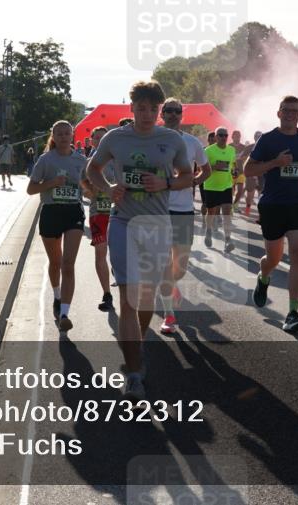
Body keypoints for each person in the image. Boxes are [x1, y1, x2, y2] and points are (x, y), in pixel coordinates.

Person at [86, 80, 193, 402]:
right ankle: (134, 376)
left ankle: (138, 345)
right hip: (124, 223)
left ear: (160, 111)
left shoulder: (171, 139)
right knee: (129, 299)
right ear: (132, 108)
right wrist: (107, 189)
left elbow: (188, 176)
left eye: (153, 109)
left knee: (146, 297)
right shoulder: (115, 138)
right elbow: (93, 170)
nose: (147, 114)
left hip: (157, 225)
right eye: (141, 108)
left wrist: (166, 182)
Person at [245, 95, 298, 333]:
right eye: (286, 110)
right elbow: (247, 170)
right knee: (273, 260)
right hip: (273, 205)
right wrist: (275, 163)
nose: (290, 114)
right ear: (278, 113)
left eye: (294, 111)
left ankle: (292, 313)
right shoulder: (268, 140)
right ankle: (264, 277)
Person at [159, 98, 211, 334]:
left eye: (176, 111)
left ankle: (172, 285)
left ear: (182, 115)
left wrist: (192, 182)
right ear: (162, 113)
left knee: (181, 265)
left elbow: (206, 170)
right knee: (164, 263)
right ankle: (169, 315)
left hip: (183, 210)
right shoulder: (152, 139)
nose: (171, 114)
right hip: (158, 208)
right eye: (167, 111)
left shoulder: (191, 142)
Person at [28, 120, 87, 331]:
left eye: (67, 133)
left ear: (73, 135)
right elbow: (31, 189)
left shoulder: (81, 159)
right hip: (51, 212)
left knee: (68, 263)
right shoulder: (46, 160)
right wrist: (52, 183)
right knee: (55, 261)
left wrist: (95, 191)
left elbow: (88, 185)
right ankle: (56, 295)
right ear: (53, 136)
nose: (63, 137)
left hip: (73, 212)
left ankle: (64, 314)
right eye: (59, 134)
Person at [80, 126, 115, 312]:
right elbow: (83, 184)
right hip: (98, 213)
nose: (101, 141)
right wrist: (90, 191)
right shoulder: (88, 163)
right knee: (101, 253)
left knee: (119, 254)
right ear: (92, 141)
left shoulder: (118, 161)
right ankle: (107, 294)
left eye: (105, 138)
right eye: (98, 138)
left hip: (119, 214)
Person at [203, 126, 237, 252]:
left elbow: (232, 165)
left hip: (226, 186)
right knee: (211, 211)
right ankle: (208, 230)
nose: (223, 137)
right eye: (221, 135)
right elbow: (203, 169)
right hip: (211, 186)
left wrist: (235, 171)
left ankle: (228, 240)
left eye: (225, 135)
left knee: (227, 213)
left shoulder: (231, 150)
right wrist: (214, 166)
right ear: (216, 137)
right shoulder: (208, 150)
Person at [243, 130, 264, 215]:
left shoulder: (266, 146)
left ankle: (261, 213)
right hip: (251, 172)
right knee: (250, 192)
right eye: (256, 137)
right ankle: (248, 208)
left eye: (260, 137)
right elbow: (242, 157)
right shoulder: (249, 147)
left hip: (262, 173)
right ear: (254, 137)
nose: (258, 138)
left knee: (262, 193)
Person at [199, 131, 214, 231]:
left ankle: (210, 223)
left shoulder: (222, 151)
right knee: (205, 203)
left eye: (215, 139)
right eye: (211, 139)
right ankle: (204, 221)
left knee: (213, 204)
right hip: (204, 179)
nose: (213, 141)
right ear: (208, 140)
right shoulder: (203, 150)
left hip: (216, 181)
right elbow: (200, 166)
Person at [231, 130, 248, 209]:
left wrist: (244, 159)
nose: (237, 137)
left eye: (239, 136)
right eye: (236, 135)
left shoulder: (244, 147)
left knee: (240, 190)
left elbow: (247, 158)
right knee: (230, 190)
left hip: (241, 171)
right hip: (231, 171)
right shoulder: (228, 146)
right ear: (232, 136)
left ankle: (234, 205)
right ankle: (229, 205)